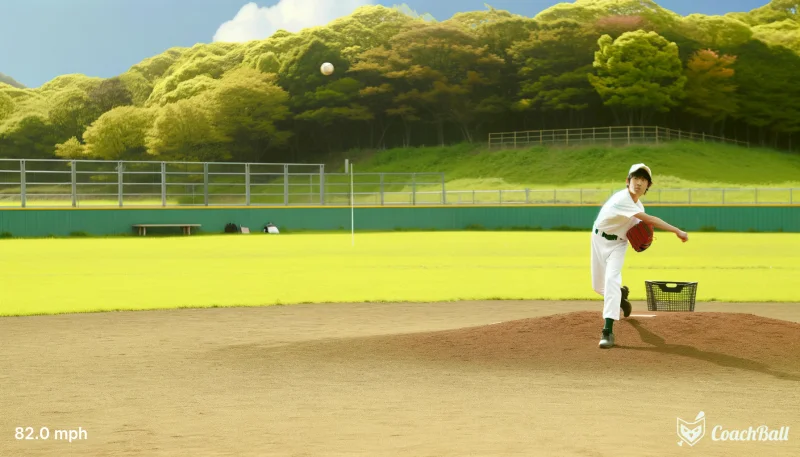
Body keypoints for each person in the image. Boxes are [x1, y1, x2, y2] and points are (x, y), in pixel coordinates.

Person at [591, 163, 689, 349]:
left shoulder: (638, 207)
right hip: (598, 239)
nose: (639, 183)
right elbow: (650, 220)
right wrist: (677, 231)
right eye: (636, 178)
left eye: (644, 180)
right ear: (628, 181)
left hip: (618, 245)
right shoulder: (622, 198)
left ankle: (607, 331)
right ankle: (620, 295)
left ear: (648, 186)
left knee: (611, 279)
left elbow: (641, 223)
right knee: (598, 287)